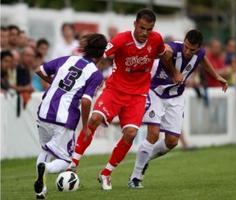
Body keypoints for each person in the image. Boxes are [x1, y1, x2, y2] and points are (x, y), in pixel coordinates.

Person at [67, 8, 183, 190]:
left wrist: (174, 71)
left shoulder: (156, 39)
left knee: (130, 133)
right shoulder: (121, 39)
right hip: (115, 90)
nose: (145, 33)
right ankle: (73, 164)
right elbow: (100, 56)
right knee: (94, 119)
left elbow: (163, 54)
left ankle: (106, 173)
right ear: (135, 24)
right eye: (142, 28)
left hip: (138, 95)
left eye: (149, 29)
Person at [128, 29, 228, 188]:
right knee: (153, 134)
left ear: (199, 48)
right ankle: (135, 177)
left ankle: (144, 159)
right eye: (186, 47)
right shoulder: (172, 48)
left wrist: (217, 77)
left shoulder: (200, 53)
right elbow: (165, 50)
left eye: (192, 49)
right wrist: (174, 72)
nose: (188, 51)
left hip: (176, 97)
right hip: (156, 92)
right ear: (184, 41)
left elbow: (204, 60)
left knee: (172, 141)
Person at [33, 33, 107, 199]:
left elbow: (40, 70)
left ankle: (41, 190)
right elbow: (87, 101)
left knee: (46, 149)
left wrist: (54, 84)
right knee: (66, 160)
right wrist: (86, 125)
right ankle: (46, 168)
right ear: (102, 53)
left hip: (44, 111)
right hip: (64, 117)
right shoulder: (95, 74)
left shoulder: (67, 59)